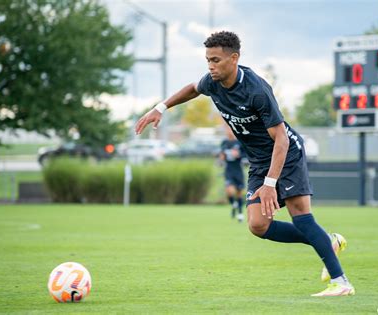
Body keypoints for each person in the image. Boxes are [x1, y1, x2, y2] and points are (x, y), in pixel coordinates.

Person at [135, 31, 355, 296]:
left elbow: (282, 139)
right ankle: (326, 241)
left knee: (302, 218)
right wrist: (161, 107)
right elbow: (193, 89)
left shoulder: (257, 90)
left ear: (234, 58)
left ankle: (341, 282)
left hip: (286, 154)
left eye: (215, 60)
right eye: (207, 60)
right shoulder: (212, 82)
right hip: (260, 160)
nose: (210, 66)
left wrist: (271, 184)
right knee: (258, 225)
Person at [220, 125, 245, 222]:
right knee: (229, 191)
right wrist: (221, 157)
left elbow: (246, 154)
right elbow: (222, 154)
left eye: (229, 129)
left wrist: (239, 155)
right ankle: (233, 204)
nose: (228, 131)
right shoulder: (224, 143)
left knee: (239, 193)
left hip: (238, 170)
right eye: (226, 129)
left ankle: (240, 213)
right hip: (228, 171)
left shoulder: (239, 142)